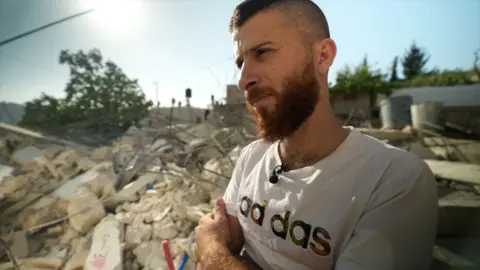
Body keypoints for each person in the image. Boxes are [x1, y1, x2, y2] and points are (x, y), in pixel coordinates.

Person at [194, 0, 438, 269]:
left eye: (262, 52)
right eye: (241, 61)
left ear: (323, 56)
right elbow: (226, 232)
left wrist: (213, 256)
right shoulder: (252, 157)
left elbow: (214, 246)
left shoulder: (394, 179)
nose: (243, 79)